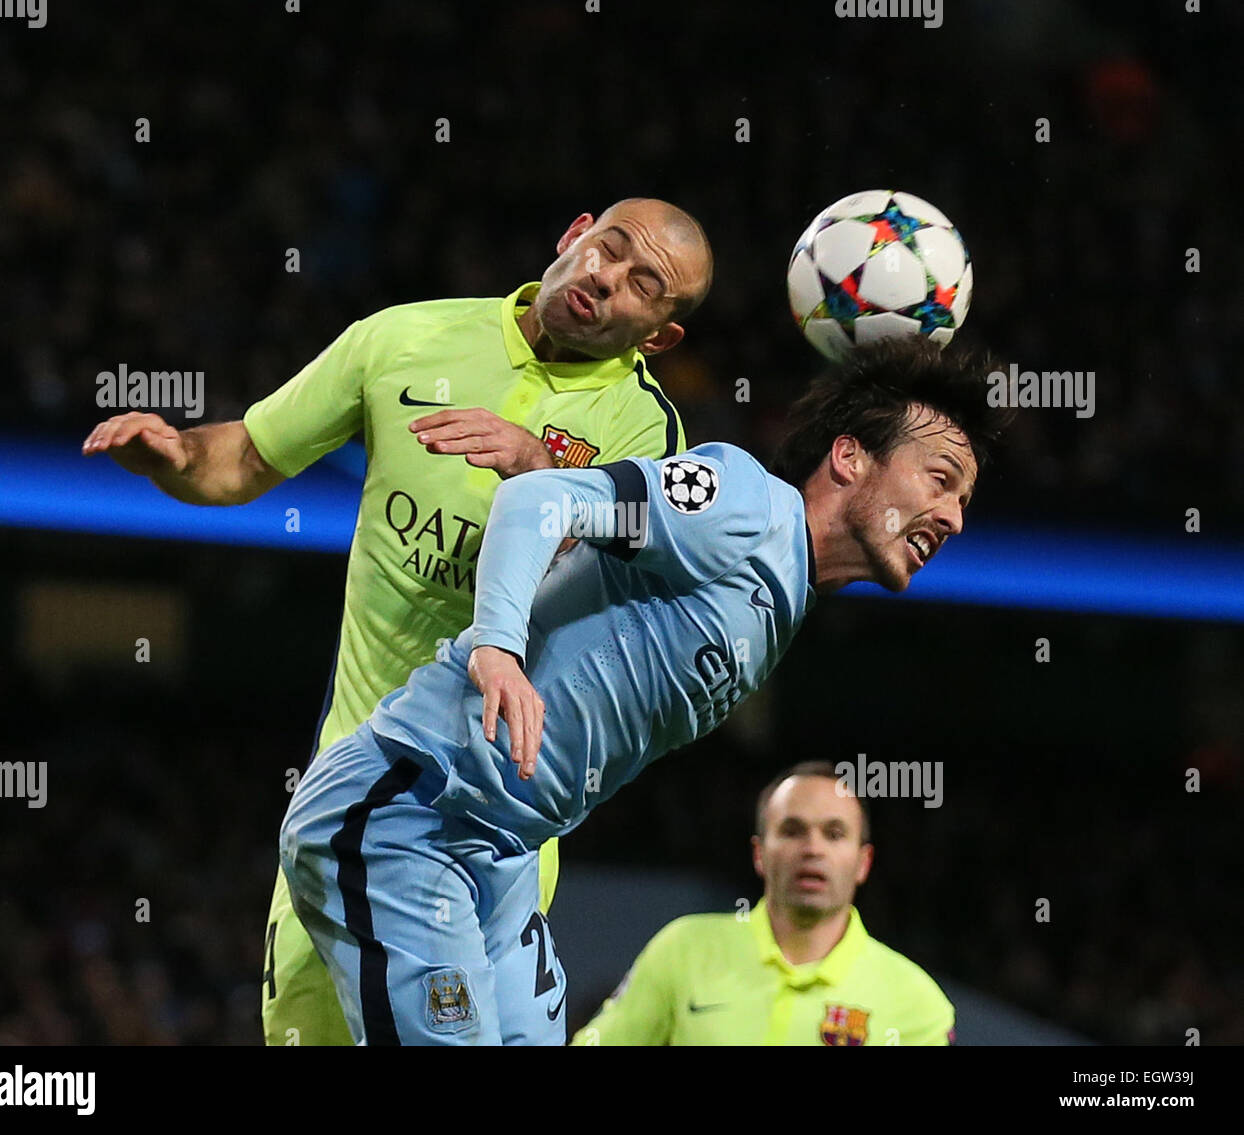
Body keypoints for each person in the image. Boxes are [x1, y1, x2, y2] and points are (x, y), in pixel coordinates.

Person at [80, 198, 714, 1045]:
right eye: (609, 248)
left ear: (659, 337)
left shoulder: (649, 435)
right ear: (573, 234)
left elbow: (635, 605)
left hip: (493, 826)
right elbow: (241, 461)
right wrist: (175, 456)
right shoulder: (403, 339)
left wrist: (542, 471)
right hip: (343, 799)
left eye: (645, 284)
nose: (606, 277)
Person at [279, 338, 1010, 1044]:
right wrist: (497, 646)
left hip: (499, 855)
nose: (953, 516)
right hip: (413, 810)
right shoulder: (748, 506)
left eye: (965, 500)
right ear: (849, 456)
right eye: (940, 479)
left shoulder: (784, 596)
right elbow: (540, 501)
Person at [572, 761, 955, 1045]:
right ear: (759, 853)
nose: (812, 849)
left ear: (863, 861)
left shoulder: (917, 1003)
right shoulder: (684, 950)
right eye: (792, 830)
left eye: (834, 834)